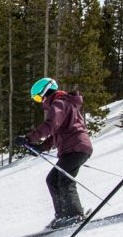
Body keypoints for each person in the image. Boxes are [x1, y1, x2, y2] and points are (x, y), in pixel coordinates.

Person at [19, 76, 92, 228]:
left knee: (65, 180)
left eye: (39, 98)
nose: (40, 102)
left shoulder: (59, 102)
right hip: (74, 148)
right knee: (52, 179)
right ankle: (63, 215)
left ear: (45, 92)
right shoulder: (64, 103)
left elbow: (51, 125)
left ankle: (75, 215)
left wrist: (29, 138)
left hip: (76, 147)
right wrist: (41, 147)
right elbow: (56, 132)